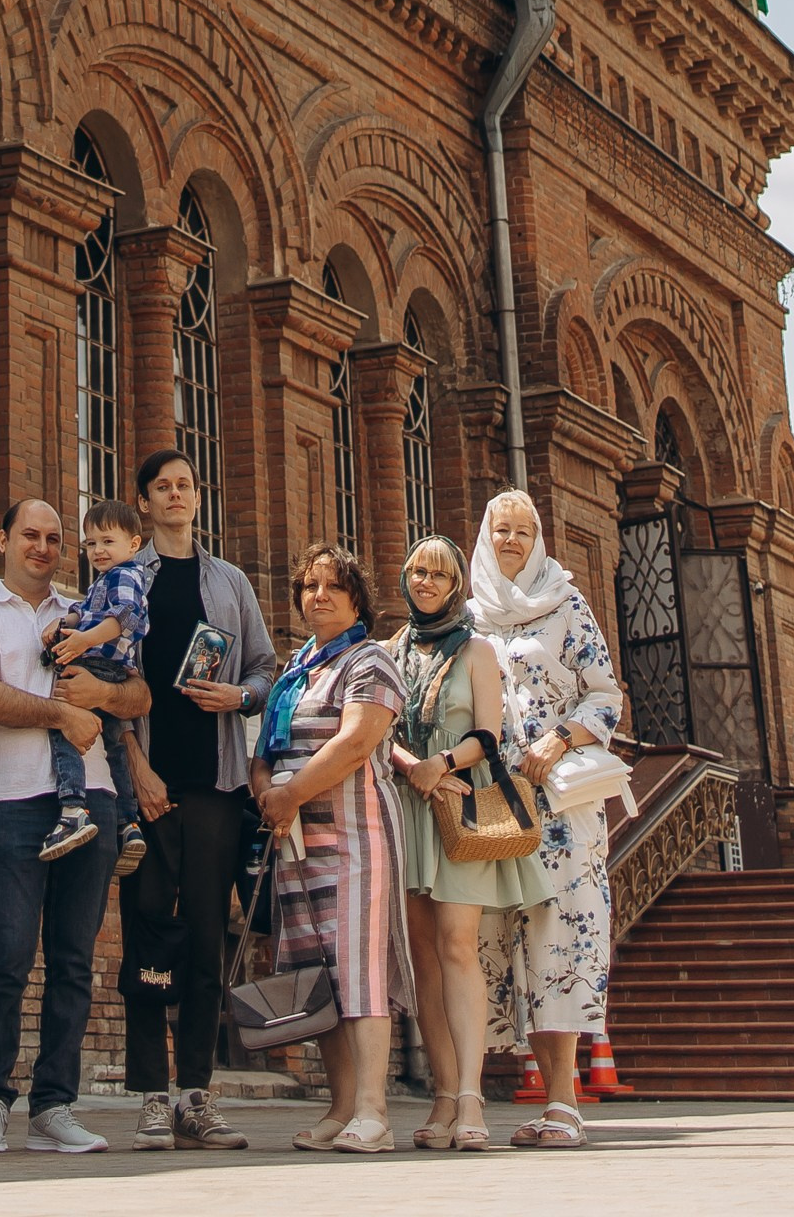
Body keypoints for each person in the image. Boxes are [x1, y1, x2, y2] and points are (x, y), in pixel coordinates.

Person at [0, 499, 150, 1156]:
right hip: (12, 802)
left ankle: (54, 1106)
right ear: (2, 537)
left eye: (54, 538)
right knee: (8, 954)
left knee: (74, 961)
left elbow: (139, 695)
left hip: (91, 798)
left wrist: (102, 698)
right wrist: (62, 716)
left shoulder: (84, 608)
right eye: (30, 535)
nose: (43, 546)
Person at [121, 445, 277, 1152]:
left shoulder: (232, 583)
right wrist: (134, 768)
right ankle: (153, 1095)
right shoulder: (127, 580)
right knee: (148, 935)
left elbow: (267, 669)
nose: (177, 495)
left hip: (217, 783)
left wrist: (240, 696)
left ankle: (197, 1094)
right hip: (151, 786)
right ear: (146, 503)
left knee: (210, 936)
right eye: (163, 487)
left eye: (186, 484)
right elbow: (105, 677)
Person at [472, 491, 625, 1153]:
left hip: (558, 802)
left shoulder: (566, 604)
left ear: (538, 537)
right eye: (500, 530)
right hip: (485, 801)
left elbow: (606, 695)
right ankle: (467, 1102)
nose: (510, 540)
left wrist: (559, 739)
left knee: (557, 936)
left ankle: (563, 1101)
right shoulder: (467, 612)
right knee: (484, 938)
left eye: (522, 530)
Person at [249, 544, 415, 1154]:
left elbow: (355, 743)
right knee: (319, 976)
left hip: (355, 837)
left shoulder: (370, 660)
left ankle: (374, 1111)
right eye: (309, 586)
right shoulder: (298, 665)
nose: (318, 596)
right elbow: (263, 748)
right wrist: (268, 790)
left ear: (356, 599)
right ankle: (341, 1107)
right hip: (295, 839)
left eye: (332, 586)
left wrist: (288, 794)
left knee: (361, 973)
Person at [389, 530, 546, 1155]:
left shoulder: (477, 650)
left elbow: (491, 734)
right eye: (417, 573)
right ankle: (443, 1096)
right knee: (422, 954)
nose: (425, 582)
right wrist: (410, 766)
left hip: (458, 805)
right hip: (407, 802)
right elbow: (377, 727)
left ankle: (474, 1096)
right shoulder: (390, 648)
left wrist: (442, 765)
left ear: (456, 585)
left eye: (438, 574)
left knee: (459, 945)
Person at [39, 497, 150, 869]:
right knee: (115, 747)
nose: (98, 550)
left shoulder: (126, 575)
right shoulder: (105, 579)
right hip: (112, 672)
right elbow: (85, 611)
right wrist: (65, 623)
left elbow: (123, 619)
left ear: (133, 545)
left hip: (99, 668)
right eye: (91, 543)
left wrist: (84, 640)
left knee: (63, 727)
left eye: (107, 541)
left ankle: (72, 807)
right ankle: (129, 823)